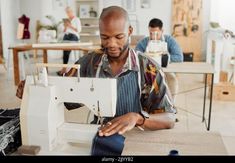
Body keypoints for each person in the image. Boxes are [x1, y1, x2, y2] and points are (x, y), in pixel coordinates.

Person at [135, 18, 184, 101]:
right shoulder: (143, 42)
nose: (153, 36)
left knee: (172, 80)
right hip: (149, 71)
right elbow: (136, 56)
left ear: (162, 31)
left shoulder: (170, 40)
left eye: (156, 33)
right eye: (151, 33)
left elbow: (179, 57)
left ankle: (171, 104)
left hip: (166, 71)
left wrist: (161, 58)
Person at [57, 6, 82, 76]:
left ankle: (66, 69)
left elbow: (79, 30)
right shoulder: (67, 20)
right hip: (67, 35)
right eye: (67, 12)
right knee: (65, 50)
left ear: (72, 11)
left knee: (67, 49)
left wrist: (70, 26)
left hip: (74, 36)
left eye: (69, 12)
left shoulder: (77, 19)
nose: (68, 13)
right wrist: (65, 27)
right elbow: (64, 31)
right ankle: (64, 68)